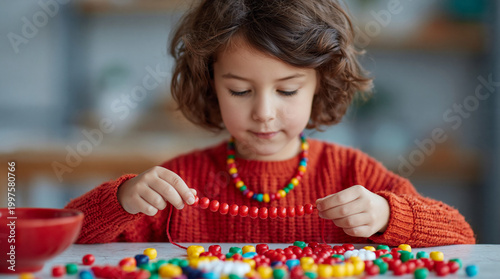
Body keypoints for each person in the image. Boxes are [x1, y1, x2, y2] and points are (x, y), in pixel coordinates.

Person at [65, 0, 475, 246]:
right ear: (211, 87)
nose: (263, 112)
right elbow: (67, 236)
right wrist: (120, 200)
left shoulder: (354, 176)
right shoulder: (179, 184)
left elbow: (460, 236)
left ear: (321, 85)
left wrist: (388, 216)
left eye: (287, 91)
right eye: (240, 91)